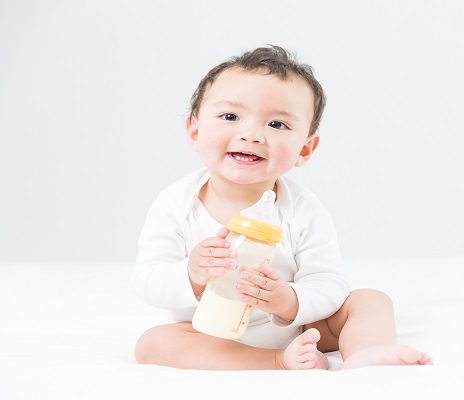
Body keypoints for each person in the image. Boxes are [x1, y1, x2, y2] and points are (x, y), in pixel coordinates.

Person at [132, 45, 432, 370]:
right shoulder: (176, 204)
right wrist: (191, 275)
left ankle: (367, 350)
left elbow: (328, 283)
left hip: (296, 328)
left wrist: (288, 300)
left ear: (305, 148)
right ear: (194, 131)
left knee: (371, 300)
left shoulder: (303, 210)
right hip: (207, 333)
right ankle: (275, 360)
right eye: (230, 116)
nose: (251, 135)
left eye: (277, 124)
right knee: (152, 343)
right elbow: (148, 280)